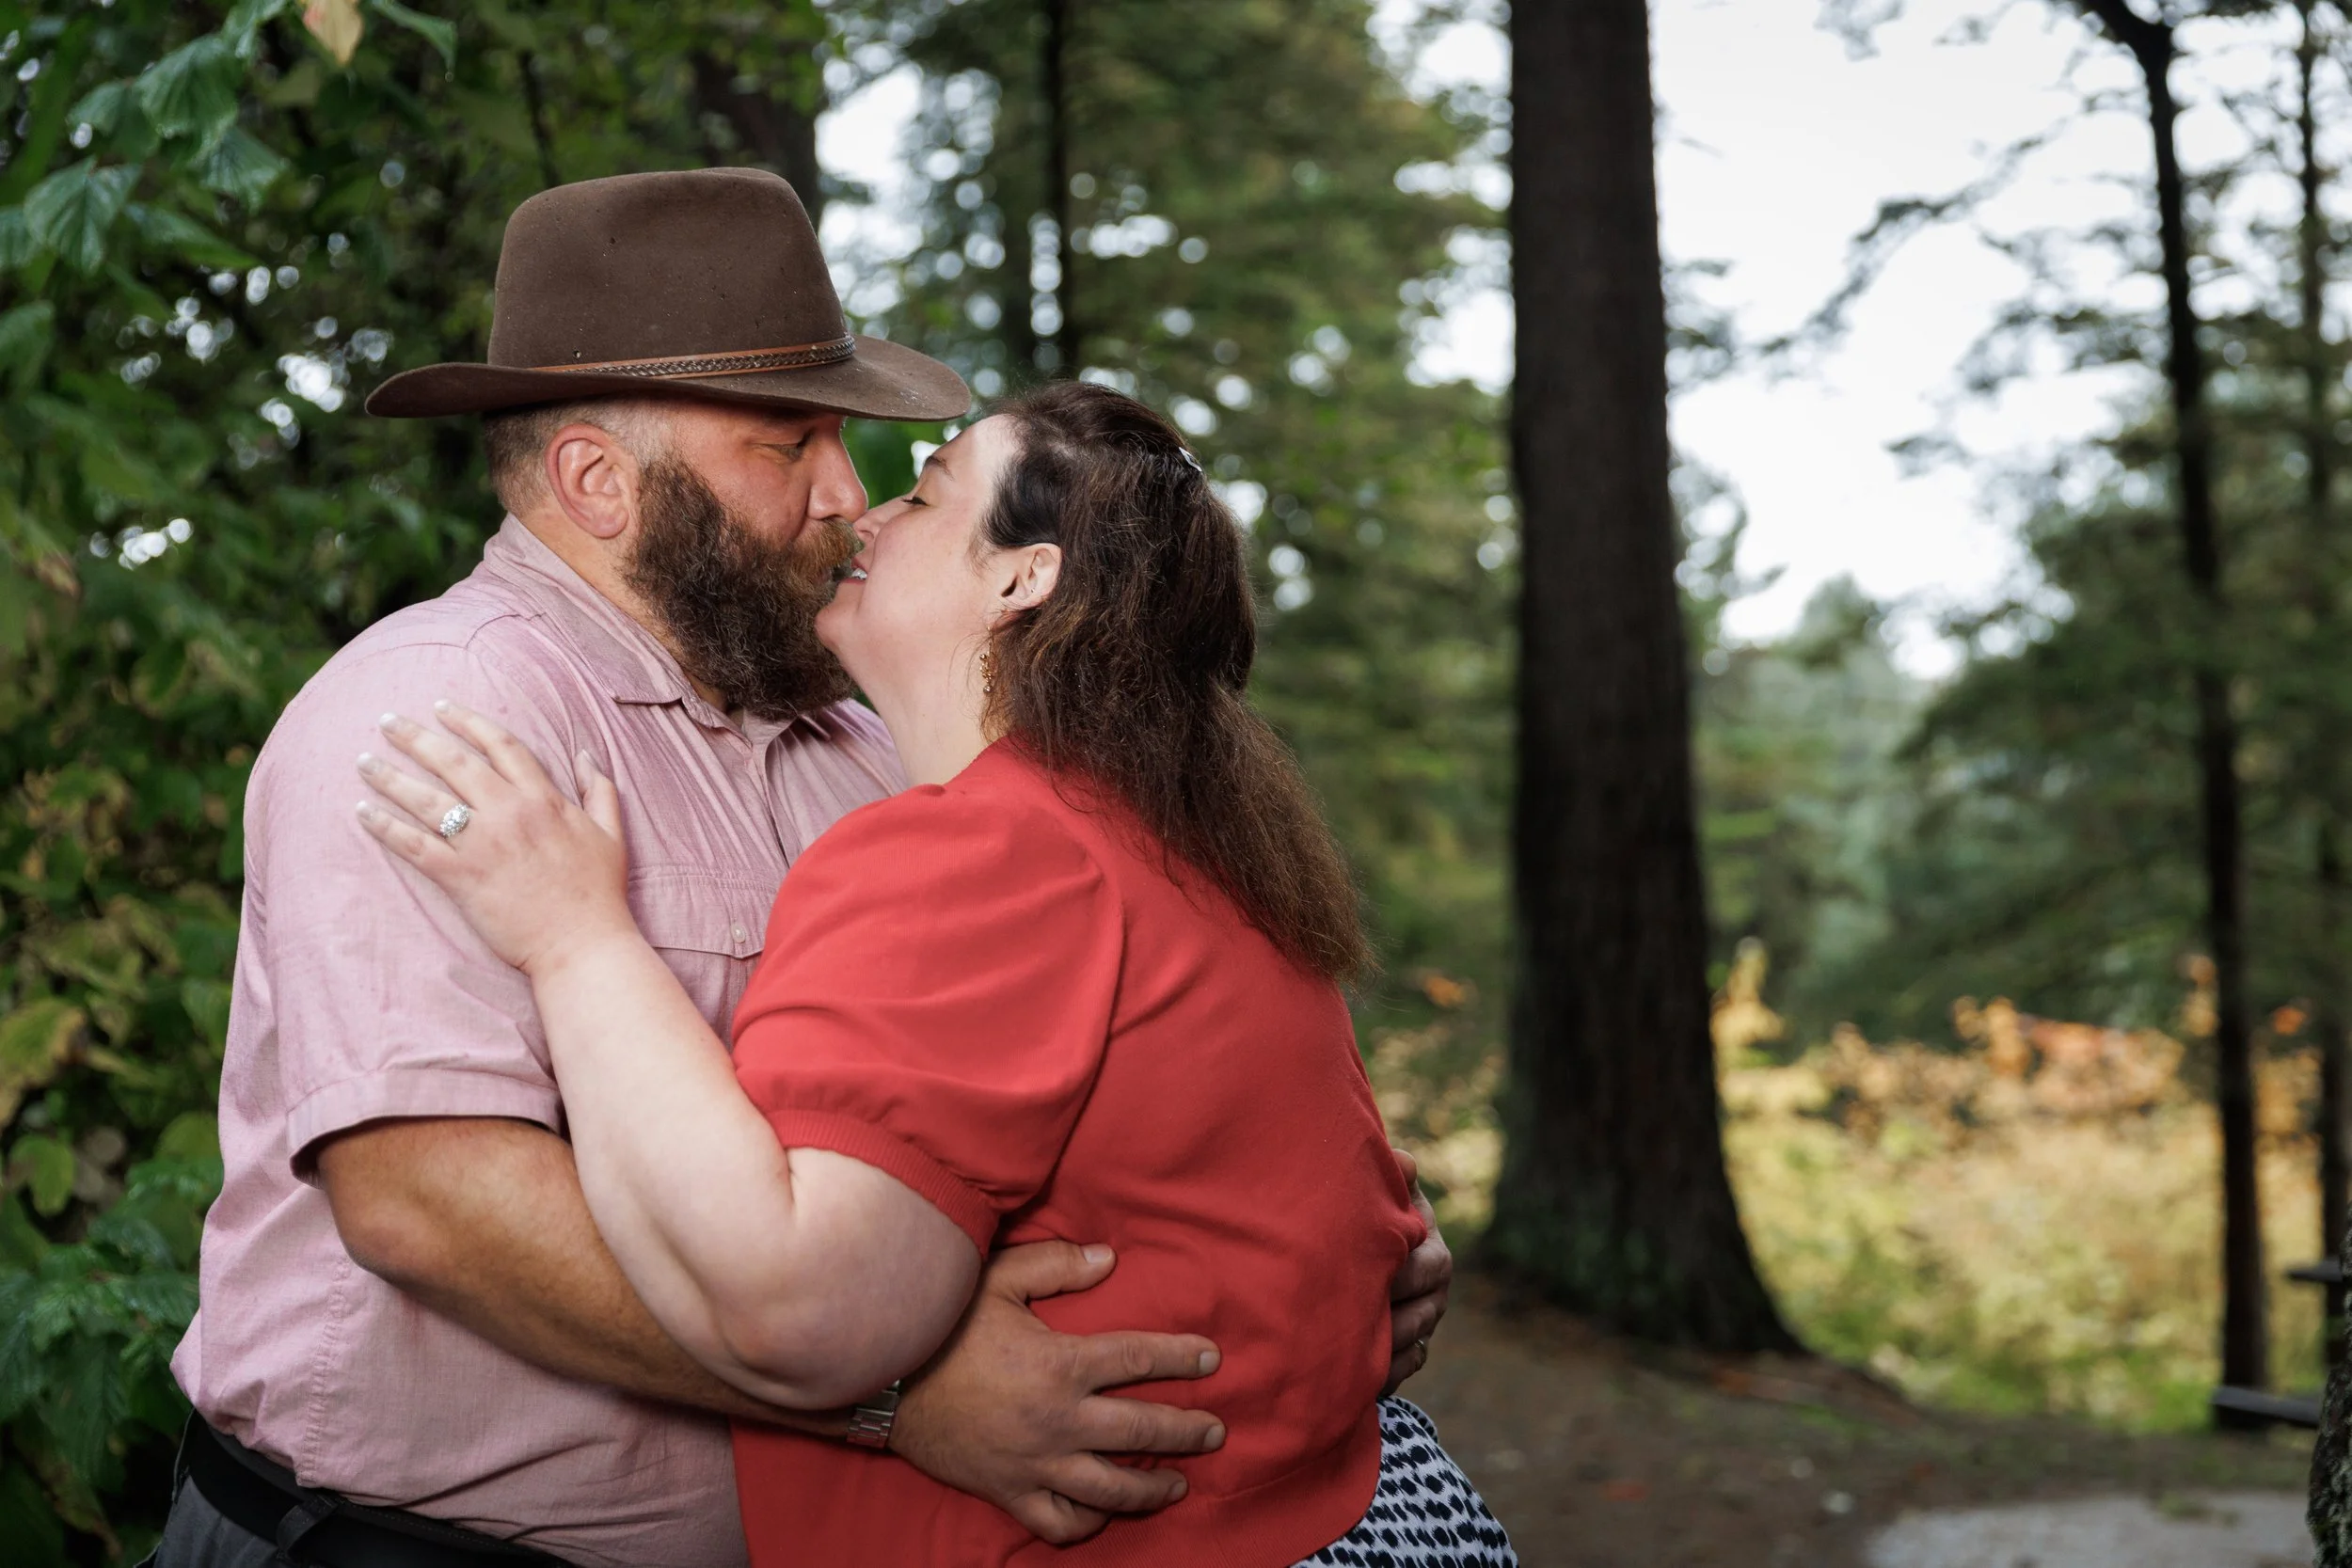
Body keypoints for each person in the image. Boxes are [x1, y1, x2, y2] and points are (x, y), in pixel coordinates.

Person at [161, 169, 1452, 1568]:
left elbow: (1055, 1062)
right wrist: (892, 1396)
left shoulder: (875, 736)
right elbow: (427, 1199)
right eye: (791, 443)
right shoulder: (439, 715)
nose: (849, 489)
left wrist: (1320, 1230)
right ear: (599, 478)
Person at [355, 381, 1516, 1567]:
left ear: (1023, 577)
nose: (861, 509)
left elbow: (797, 1309)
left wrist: (573, 937)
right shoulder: (1175, 833)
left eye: (923, 490)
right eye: (798, 445)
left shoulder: (984, 844)